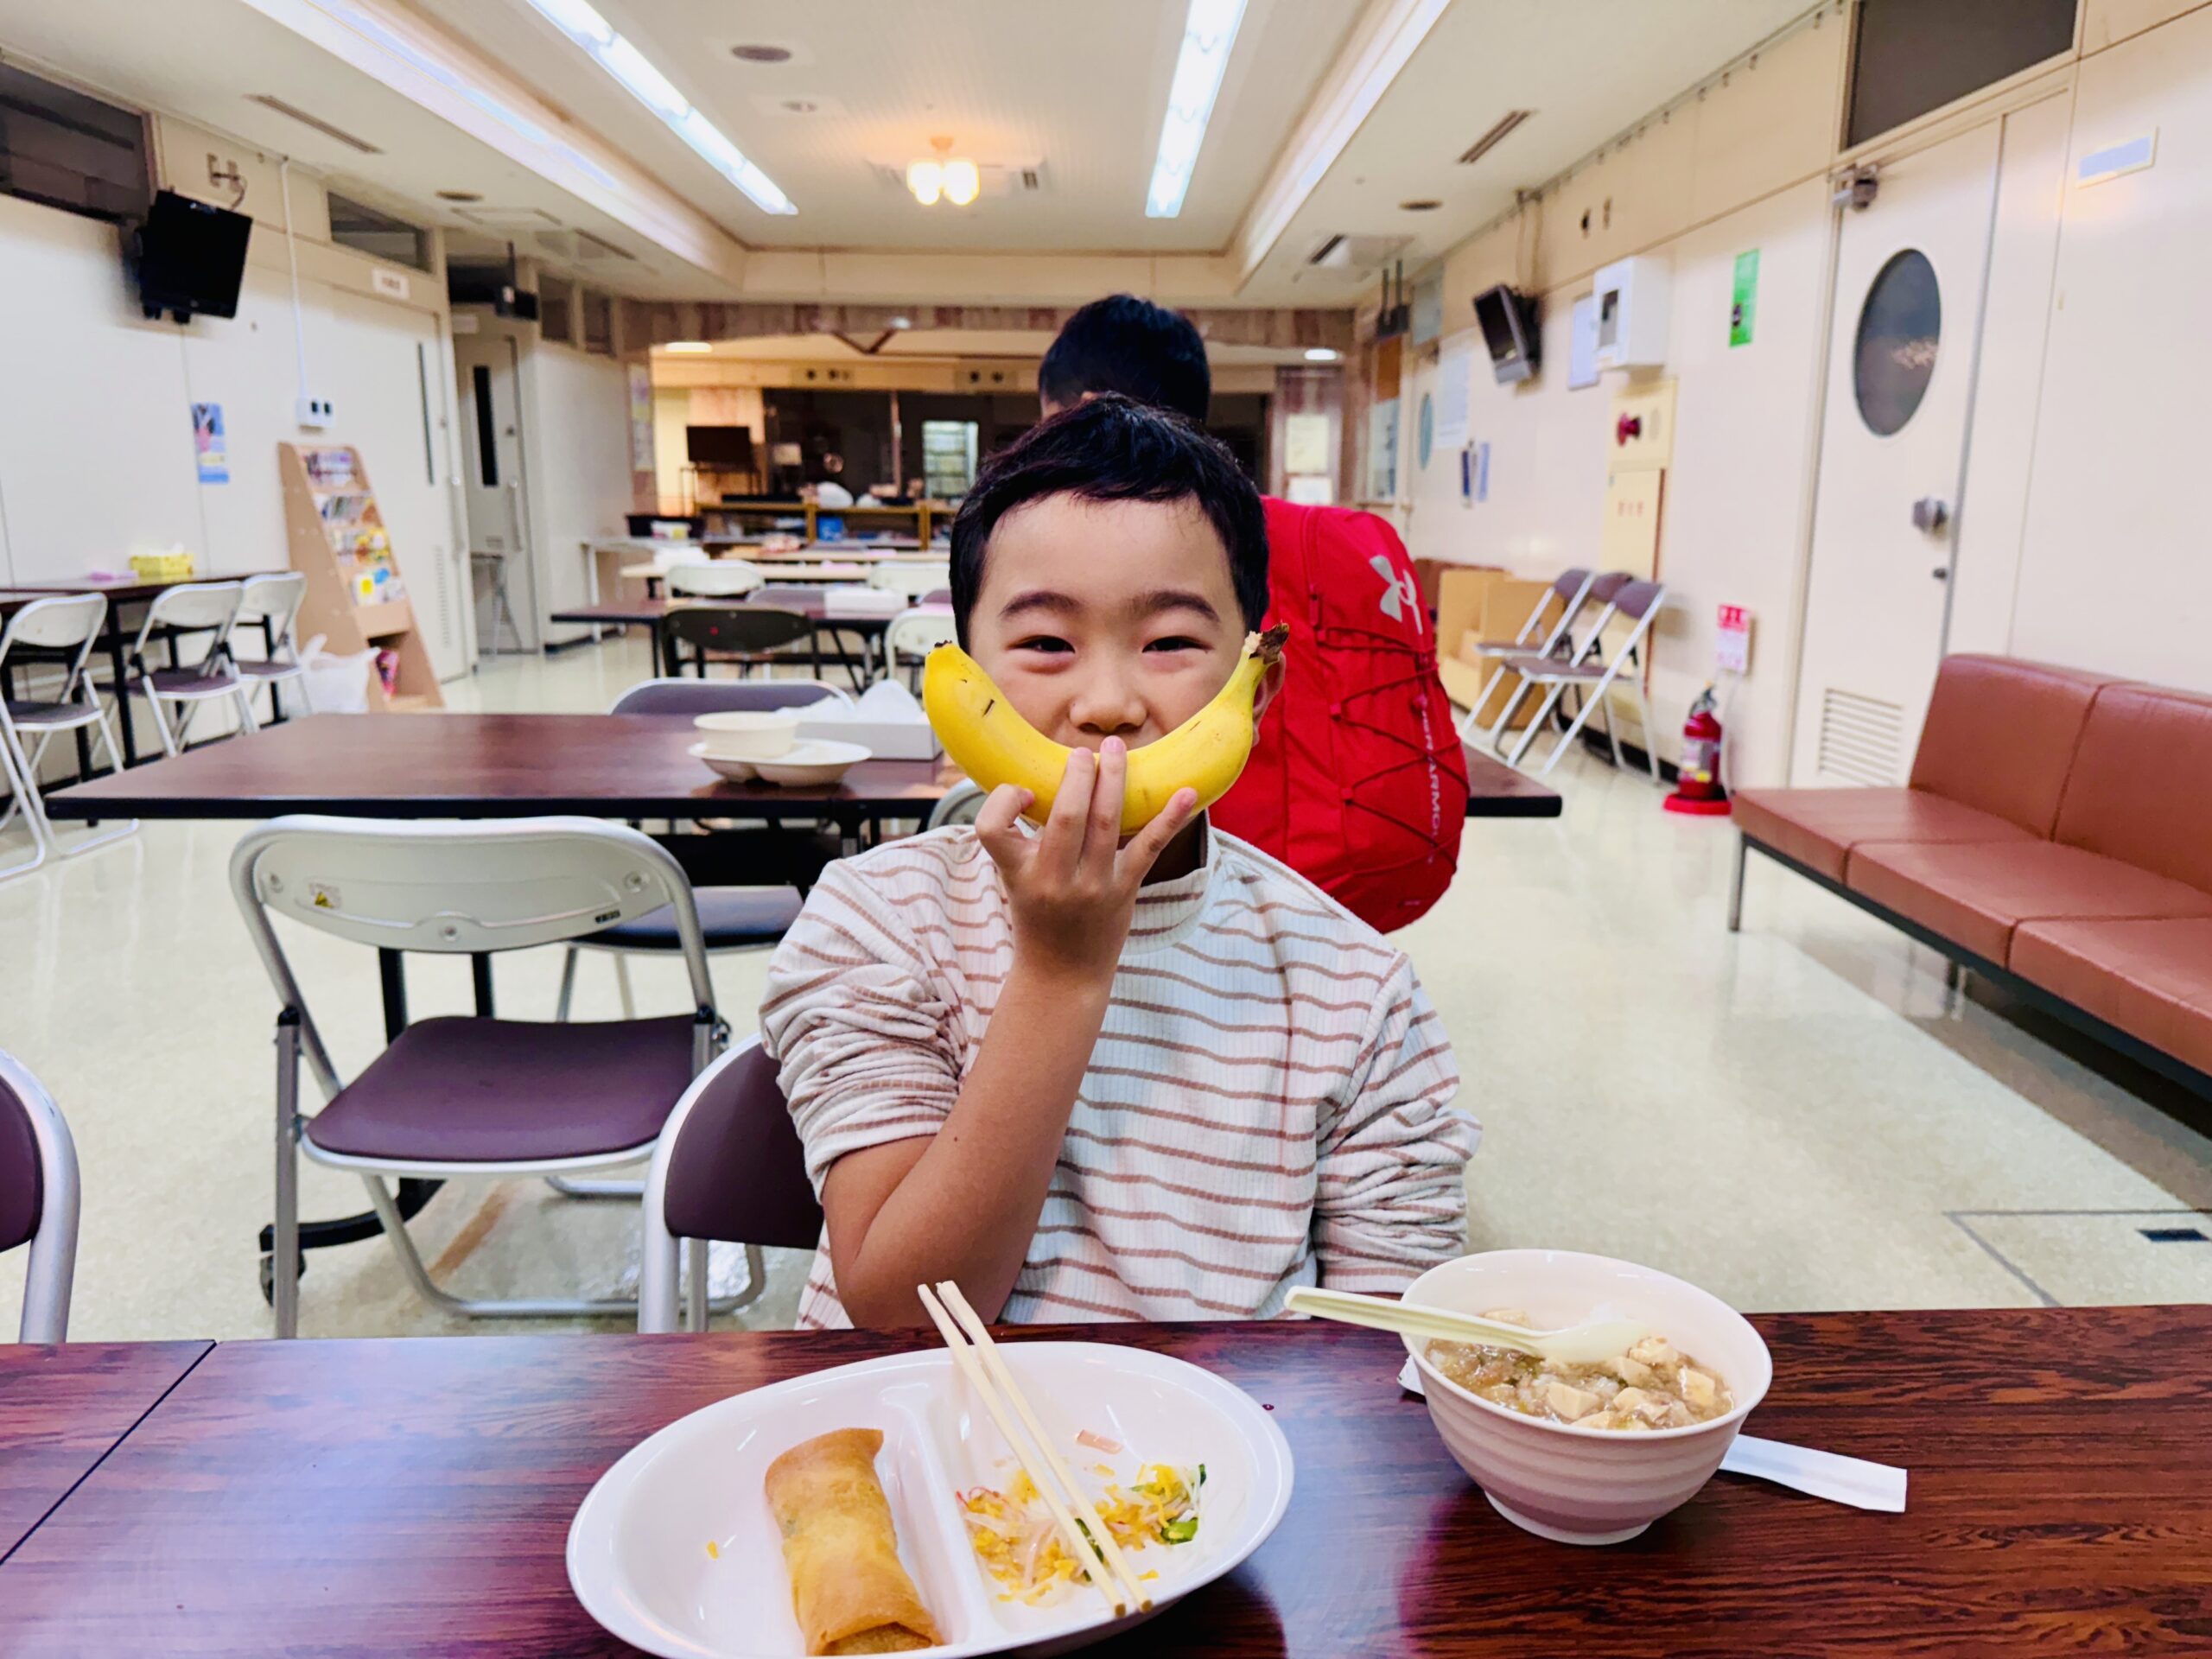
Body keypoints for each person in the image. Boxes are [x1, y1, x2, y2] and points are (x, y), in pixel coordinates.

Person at [760, 396, 1476, 1330]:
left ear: (1259, 689)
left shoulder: (1357, 993)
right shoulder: (877, 917)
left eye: (1169, 642)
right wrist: (1060, 976)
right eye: (1046, 644)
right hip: (919, 1411)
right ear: (966, 682)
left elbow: (1382, 1351)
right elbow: (902, 1315)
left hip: (1231, 1422)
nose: (1107, 703)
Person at [1039, 295, 1469, 931]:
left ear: (1091, 412)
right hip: (1382, 879)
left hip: (1224, 896)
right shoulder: (1343, 536)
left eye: (1049, 431)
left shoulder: (1130, 549)